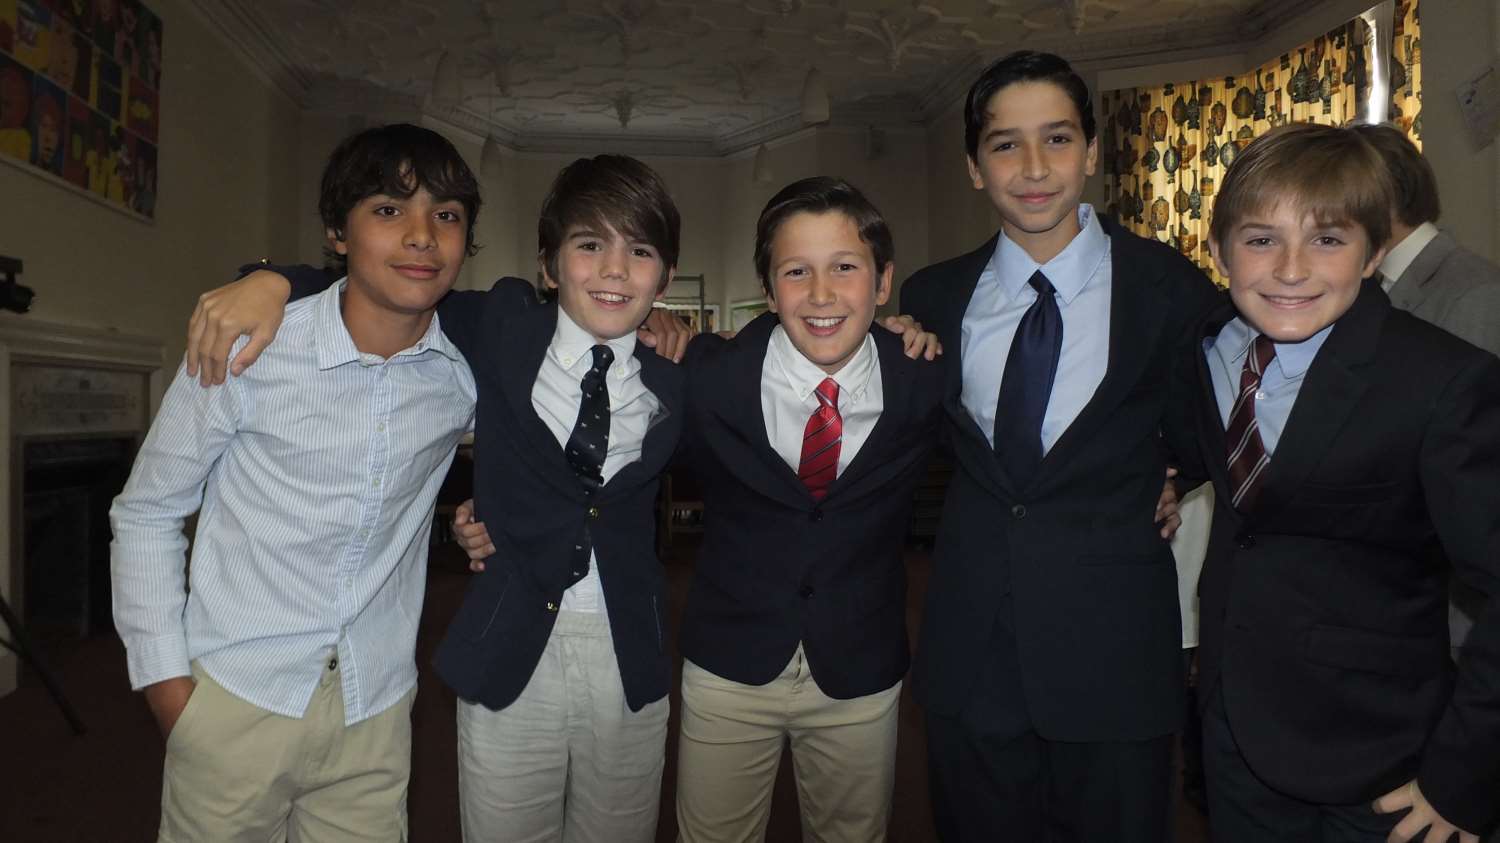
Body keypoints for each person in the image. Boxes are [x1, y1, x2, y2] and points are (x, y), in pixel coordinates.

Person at [186, 154, 692, 841]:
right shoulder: (502, 325)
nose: (614, 270)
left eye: (640, 252)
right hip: (509, 642)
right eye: (589, 245)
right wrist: (269, 280)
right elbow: (385, 284)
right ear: (548, 266)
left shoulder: (680, 372)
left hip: (630, 651)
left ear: (664, 276)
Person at [110, 123, 481, 840]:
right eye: (387, 209)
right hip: (235, 699)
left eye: (446, 214)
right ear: (337, 233)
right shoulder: (248, 347)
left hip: (376, 712)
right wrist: (167, 690)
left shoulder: (460, 377)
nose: (421, 236)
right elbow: (148, 511)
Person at [898, 50, 1222, 841]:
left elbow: (1208, 432)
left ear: (1093, 150)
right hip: (972, 651)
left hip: (1114, 652)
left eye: (1057, 138)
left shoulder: (1173, 290)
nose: (1035, 167)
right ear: (974, 166)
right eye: (1006, 144)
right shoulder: (932, 296)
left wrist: (1170, 474)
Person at [1190, 121, 1500, 843]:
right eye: (1261, 240)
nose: (1291, 269)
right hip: (1235, 740)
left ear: (1375, 253)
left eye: (1327, 239)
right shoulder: (1206, 347)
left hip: (1380, 766)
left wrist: (1463, 778)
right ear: (1219, 251)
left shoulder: (1442, 382)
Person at [669, 177, 945, 841]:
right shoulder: (707, 375)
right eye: (797, 271)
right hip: (729, 663)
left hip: (860, 664)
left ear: (883, 283)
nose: (822, 294)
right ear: (769, 289)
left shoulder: (925, 377)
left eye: (845, 267)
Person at [1350, 122, 1500, 658]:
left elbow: (1475, 471)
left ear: (1380, 198)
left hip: (1455, 612)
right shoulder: (1375, 288)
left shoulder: (1473, 292)